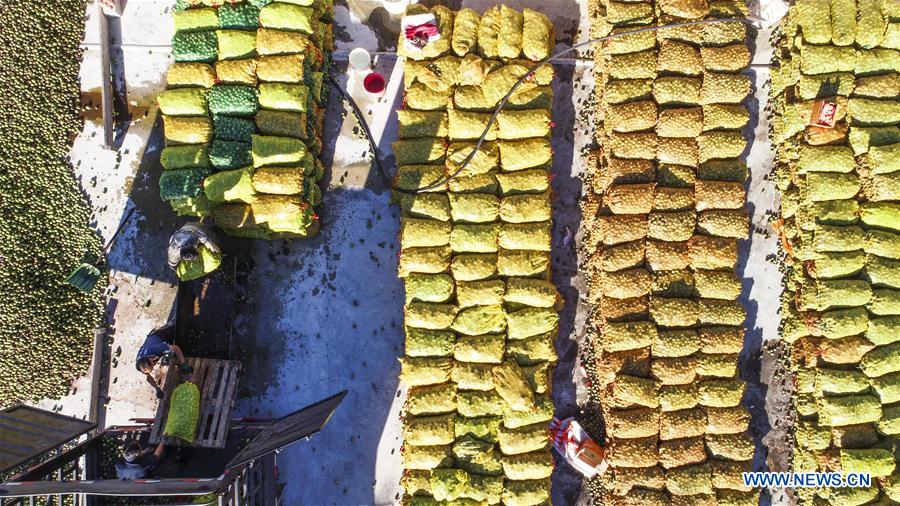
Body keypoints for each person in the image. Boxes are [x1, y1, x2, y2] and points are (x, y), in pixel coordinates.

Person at [136, 326, 190, 398]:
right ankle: (169, 352)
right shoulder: (140, 365)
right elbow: (148, 377)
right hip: (151, 343)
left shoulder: (157, 349)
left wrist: (184, 364)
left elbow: (175, 348)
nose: (152, 370)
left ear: (152, 361)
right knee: (168, 359)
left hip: (160, 335)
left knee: (183, 333)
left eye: (152, 368)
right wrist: (157, 389)